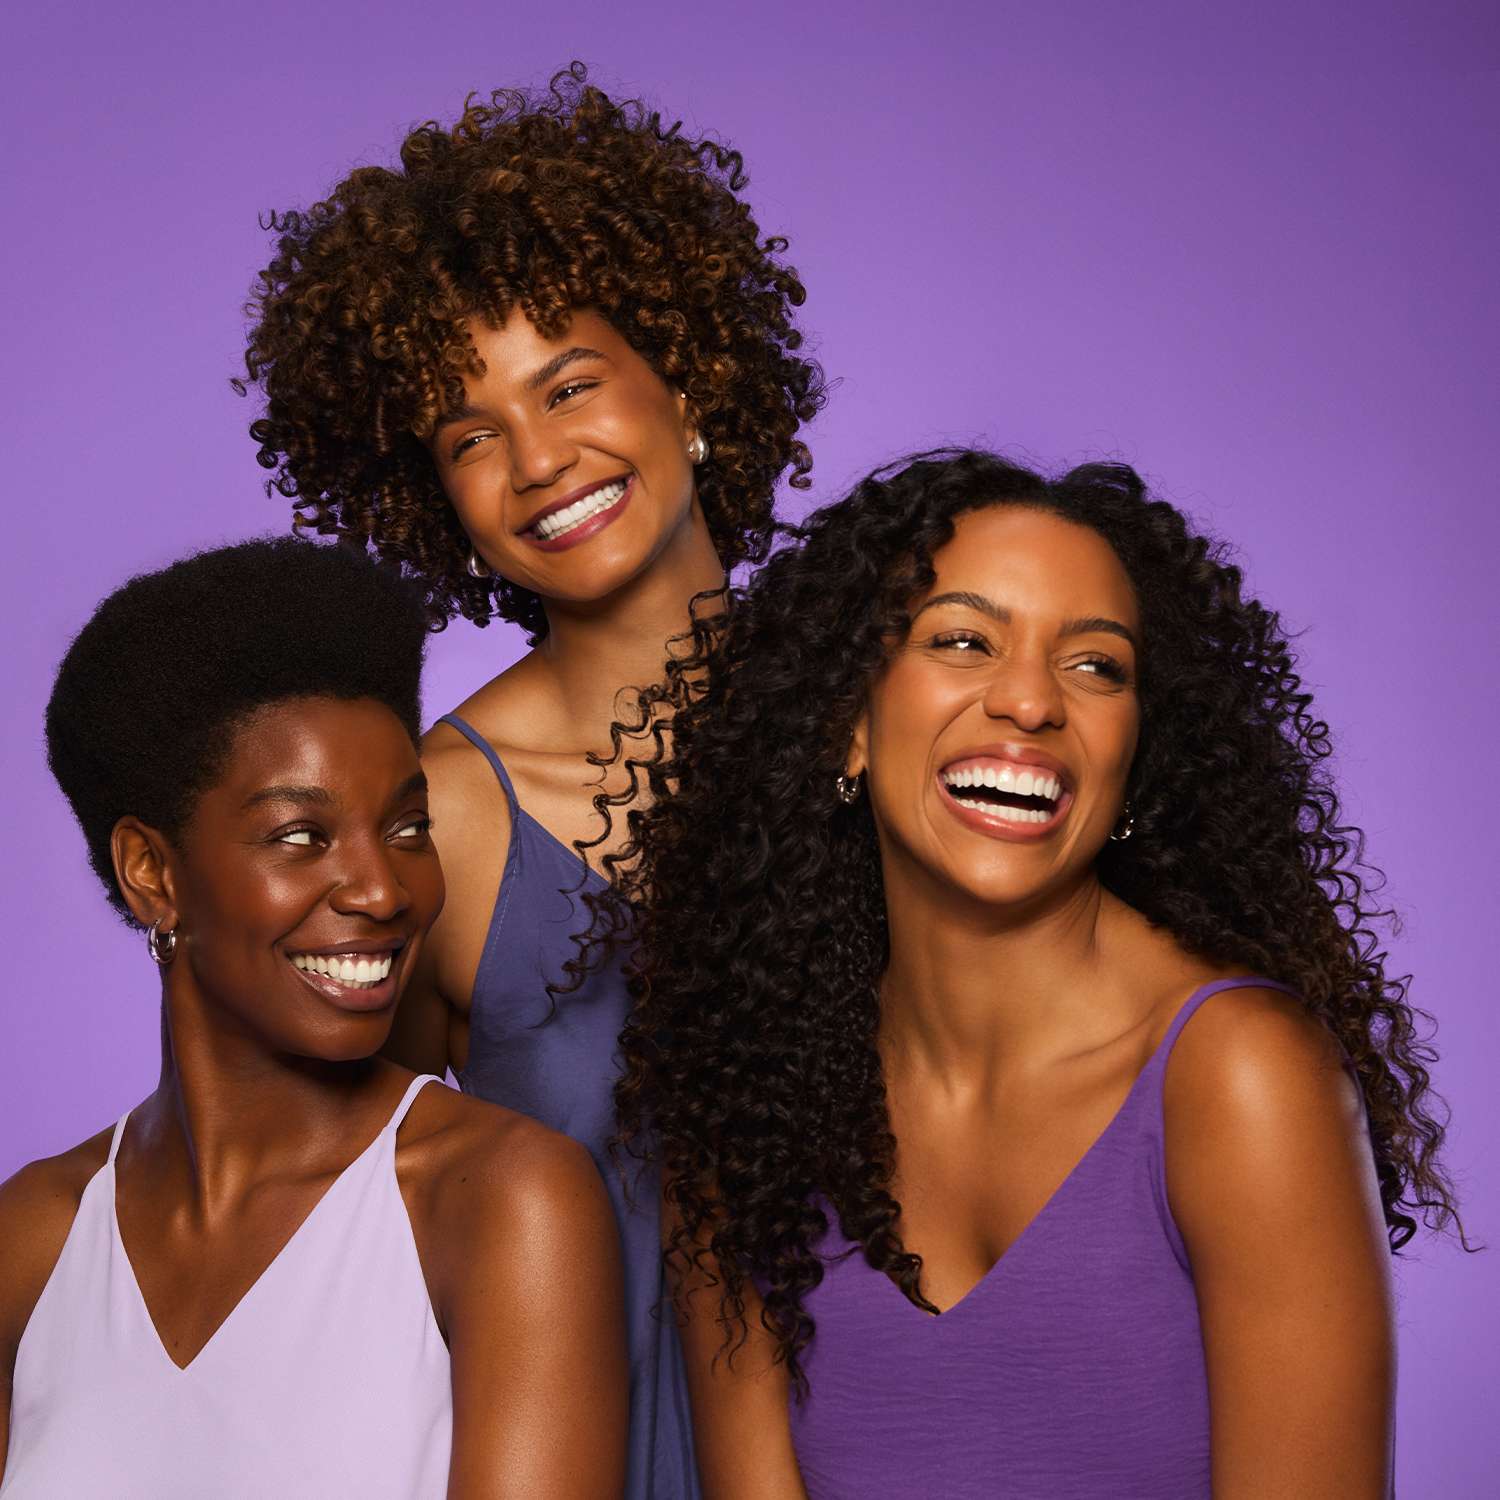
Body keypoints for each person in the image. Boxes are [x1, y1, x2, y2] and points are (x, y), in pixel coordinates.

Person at [606, 451, 1464, 1498]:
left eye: (1095, 665)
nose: (1029, 702)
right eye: (963, 641)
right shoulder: (747, 1101)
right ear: (848, 723)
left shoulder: (1240, 1077)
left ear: (1135, 760)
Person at [239, 64, 825, 1497]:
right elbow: (341, 1243)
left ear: (687, 379)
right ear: (433, 498)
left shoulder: (882, 722)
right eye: (470, 436)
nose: (540, 458)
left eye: (569, 385)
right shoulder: (438, 817)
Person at [0, 538, 626, 1499]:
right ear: (153, 873)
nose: (382, 889)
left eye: (408, 829)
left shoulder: (500, 1201)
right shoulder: (34, 1240)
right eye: (302, 836)